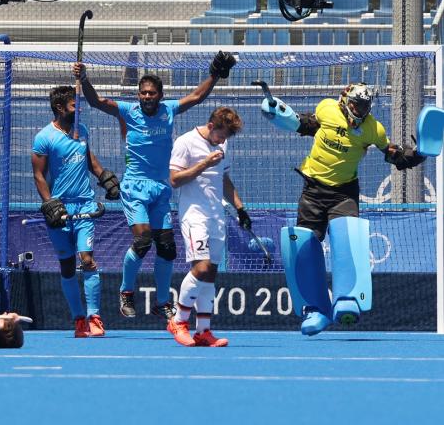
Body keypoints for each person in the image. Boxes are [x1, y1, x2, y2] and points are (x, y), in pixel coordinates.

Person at [73, 51, 236, 322]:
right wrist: (85, 78)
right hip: (135, 188)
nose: (147, 97)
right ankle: (126, 291)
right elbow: (95, 101)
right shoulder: (127, 111)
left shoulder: (168, 110)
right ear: (139, 94)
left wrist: (215, 75)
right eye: (143, 93)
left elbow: (197, 97)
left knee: (167, 249)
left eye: (151, 93)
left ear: (160, 95)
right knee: (142, 240)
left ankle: (162, 303)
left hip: (161, 188)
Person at [262, 82, 427, 335]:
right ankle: (316, 310)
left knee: (346, 237)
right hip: (313, 191)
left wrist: (416, 154)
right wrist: (279, 114)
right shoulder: (327, 109)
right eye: (356, 104)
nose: (360, 110)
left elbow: (391, 152)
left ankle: (347, 298)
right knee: (305, 246)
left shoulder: (374, 128)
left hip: (344, 193)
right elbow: (306, 125)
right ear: (344, 101)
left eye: (365, 106)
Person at [31, 85, 120, 338]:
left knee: (87, 260)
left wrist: (105, 178)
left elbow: (90, 161)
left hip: (85, 206)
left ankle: (95, 317)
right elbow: (38, 175)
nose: (78, 109)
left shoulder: (82, 130)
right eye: (74, 105)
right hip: (59, 209)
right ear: (60, 108)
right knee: (67, 266)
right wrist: (50, 204)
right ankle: (79, 319)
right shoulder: (44, 137)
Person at [167, 107, 245, 347]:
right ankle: (178, 322)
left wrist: (241, 209)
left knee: (210, 274)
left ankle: (203, 331)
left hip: (216, 217)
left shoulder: (222, 146)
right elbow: (174, 180)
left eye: (226, 139)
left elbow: (223, 179)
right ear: (211, 125)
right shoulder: (185, 142)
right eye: (221, 135)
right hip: (194, 216)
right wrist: (203, 164)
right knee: (200, 268)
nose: (223, 141)